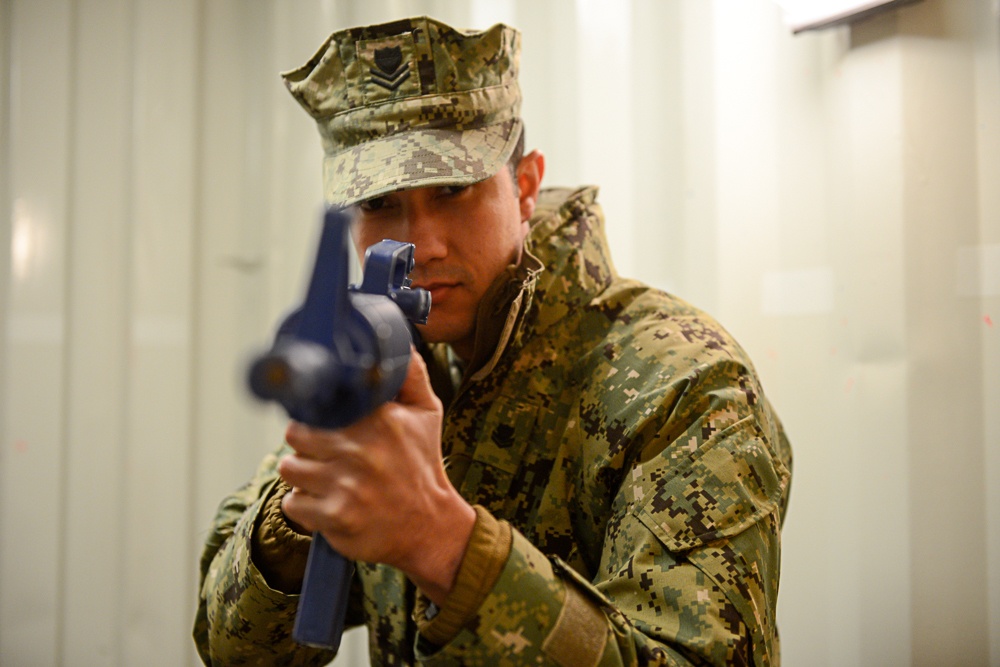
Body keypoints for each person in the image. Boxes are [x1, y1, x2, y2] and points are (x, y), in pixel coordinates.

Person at [194, 15, 792, 667]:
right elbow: (234, 651)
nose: (423, 243)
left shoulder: (684, 384)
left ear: (526, 185)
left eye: (454, 191)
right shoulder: (379, 366)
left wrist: (442, 541)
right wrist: (296, 522)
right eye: (380, 203)